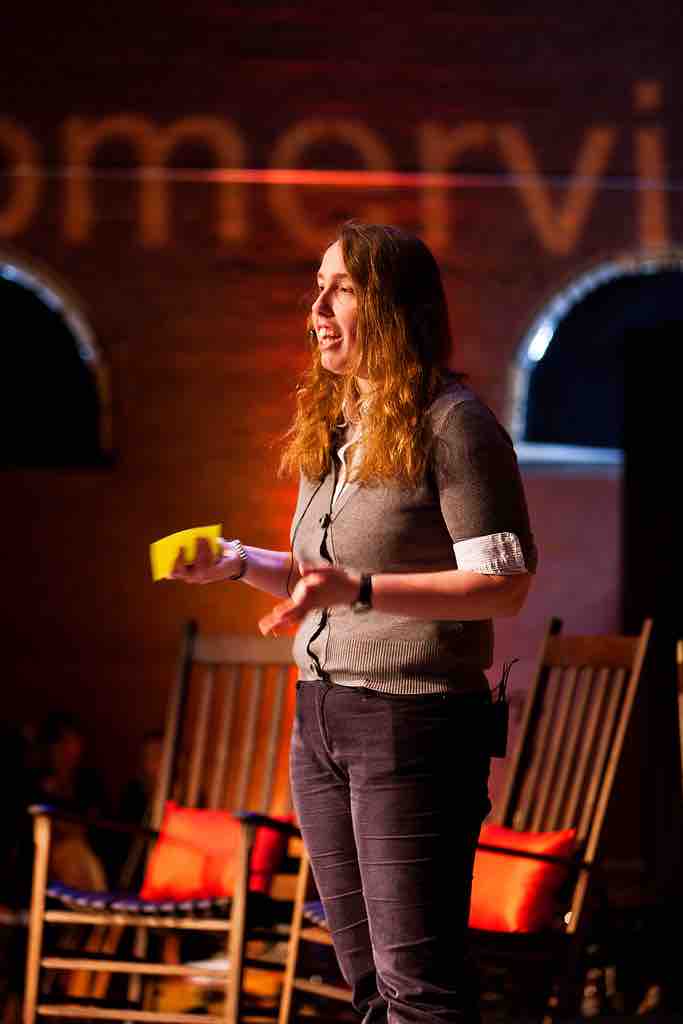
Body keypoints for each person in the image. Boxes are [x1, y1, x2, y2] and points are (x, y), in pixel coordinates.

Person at [169, 221, 537, 1023]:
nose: (317, 309)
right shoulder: (334, 429)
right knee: (366, 979)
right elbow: (319, 580)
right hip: (322, 717)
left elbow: (501, 583)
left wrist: (362, 590)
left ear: (395, 309)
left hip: (413, 724)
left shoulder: (454, 426)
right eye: (318, 288)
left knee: (418, 989)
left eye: (341, 289)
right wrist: (235, 560)